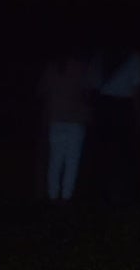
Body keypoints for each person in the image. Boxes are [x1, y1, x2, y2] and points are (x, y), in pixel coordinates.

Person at [38, 50, 99, 203]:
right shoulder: (81, 68)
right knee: (71, 161)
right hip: (75, 120)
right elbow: (89, 92)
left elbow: (42, 92)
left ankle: (53, 195)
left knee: (55, 160)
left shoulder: (52, 68)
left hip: (56, 120)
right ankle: (66, 196)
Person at [93, 45, 140, 203]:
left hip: (106, 105)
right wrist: (138, 115)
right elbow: (136, 89)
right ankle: (118, 193)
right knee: (122, 151)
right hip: (120, 107)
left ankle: (109, 192)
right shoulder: (133, 57)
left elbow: (94, 84)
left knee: (109, 151)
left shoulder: (103, 55)